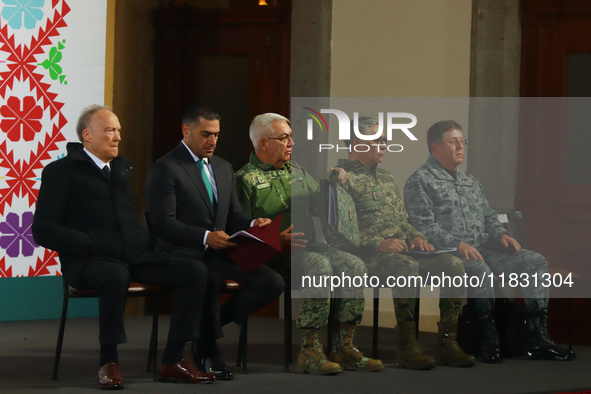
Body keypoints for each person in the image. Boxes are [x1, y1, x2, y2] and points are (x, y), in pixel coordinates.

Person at [32, 105, 215, 389]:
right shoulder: (60, 172)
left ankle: (173, 359)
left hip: (131, 257)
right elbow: (44, 230)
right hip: (87, 262)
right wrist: (94, 242)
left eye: (118, 130)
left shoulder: (121, 171)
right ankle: (109, 361)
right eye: (109, 130)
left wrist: (148, 244)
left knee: (194, 270)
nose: (117, 137)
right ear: (87, 136)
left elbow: (128, 223)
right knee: (115, 276)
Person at [404, 119, 575, 363]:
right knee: (479, 269)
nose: (460, 147)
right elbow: (422, 225)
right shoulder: (421, 180)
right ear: (435, 148)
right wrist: (457, 244)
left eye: (462, 142)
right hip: (448, 253)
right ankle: (488, 338)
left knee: (534, 261)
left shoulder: (471, 182)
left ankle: (537, 338)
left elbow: (489, 217)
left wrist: (501, 234)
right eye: (453, 142)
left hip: (482, 248)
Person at [234, 113, 383, 375]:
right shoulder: (244, 179)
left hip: (308, 247)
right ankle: (310, 351)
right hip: (273, 256)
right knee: (319, 265)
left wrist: (333, 181)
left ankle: (343, 346)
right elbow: (240, 229)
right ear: (263, 143)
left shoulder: (297, 171)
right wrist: (275, 240)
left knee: (354, 265)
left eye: (291, 136)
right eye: (283, 138)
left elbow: (320, 204)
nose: (291, 142)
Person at [145, 103, 284, 380]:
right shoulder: (166, 168)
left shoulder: (222, 167)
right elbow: (162, 224)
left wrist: (252, 224)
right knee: (204, 276)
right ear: (186, 131)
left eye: (217, 135)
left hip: (218, 255)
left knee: (272, 283)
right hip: (182, 254)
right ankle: (208, 350)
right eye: (206, 134)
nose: (213, 141)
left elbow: (234, 217)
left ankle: (204, 329)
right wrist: (205, 237)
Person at [334, 116, 475, 370]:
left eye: (385, 140)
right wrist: (379, 243)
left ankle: (447, 343)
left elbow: (403, 220)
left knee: (453, 264)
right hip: (368, 256)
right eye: (377, 140)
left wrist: (416, 236)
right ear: (356, 142)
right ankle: (408, 346)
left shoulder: (386, 178)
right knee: (405, 266)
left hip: (403, 251)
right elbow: (341, 233)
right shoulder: (341, 178)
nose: (384, 145)